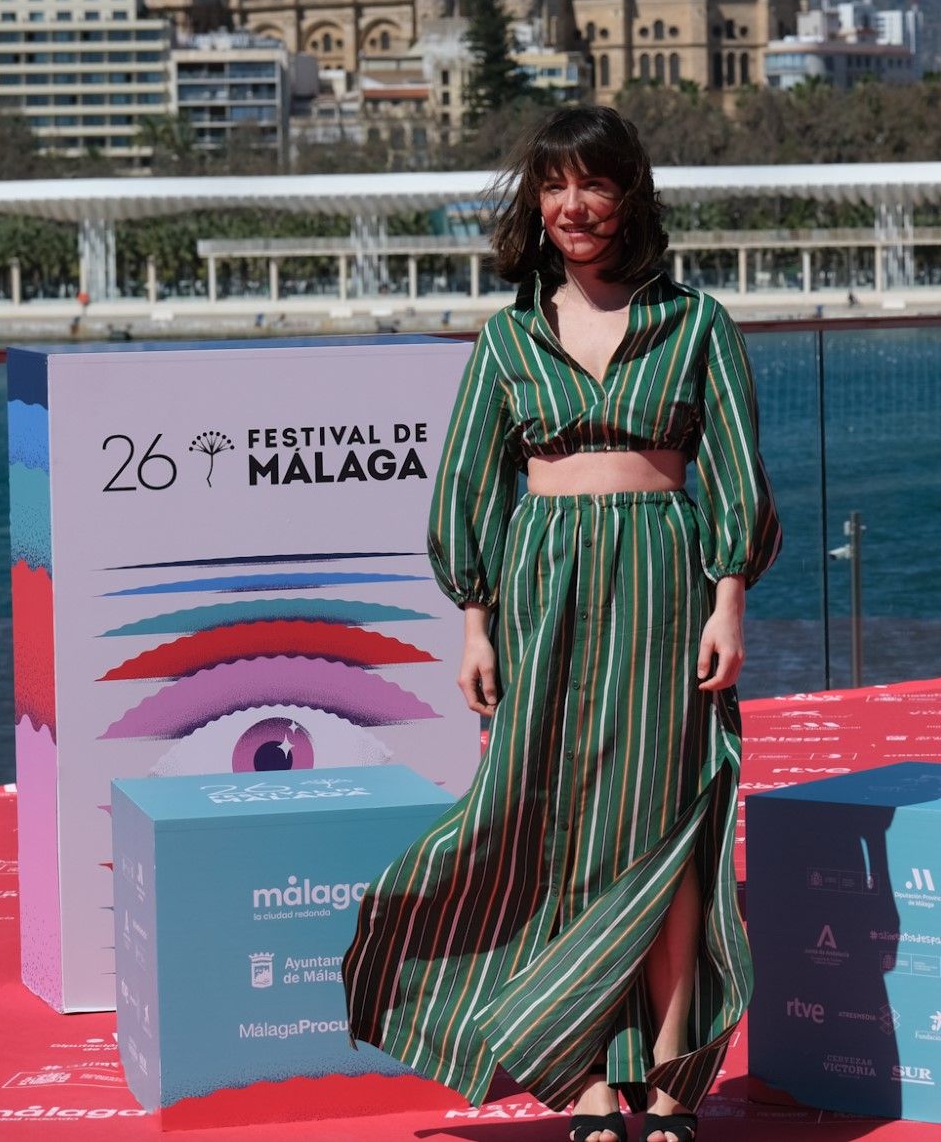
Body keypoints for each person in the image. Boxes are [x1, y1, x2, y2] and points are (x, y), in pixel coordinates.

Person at [341, 105, 782, 1142]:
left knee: (672, 824)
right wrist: (475, 625)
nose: (573, 206)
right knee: (555, 824)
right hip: (543, 591)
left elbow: (734, 474)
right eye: (553, 187)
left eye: (593, 184)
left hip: (666, 582)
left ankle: (672, 1078)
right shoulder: (506, 337)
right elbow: (467, 488)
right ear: (534, 206)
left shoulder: (696, 322)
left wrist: (729, 602)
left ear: (630, 195)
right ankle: (582, 1081)